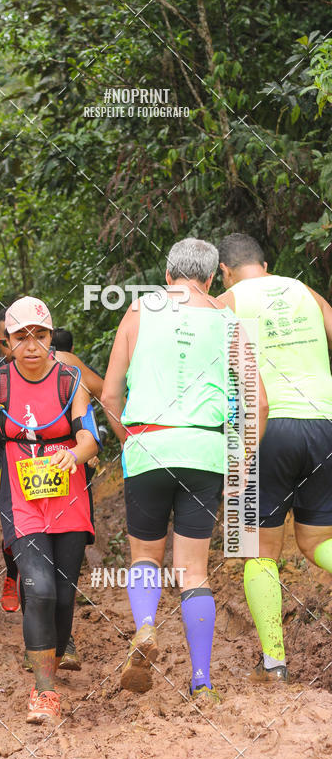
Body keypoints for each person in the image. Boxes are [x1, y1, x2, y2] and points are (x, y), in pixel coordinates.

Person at [101, 237, 268, 703]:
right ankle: (202, 682)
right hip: (205, 452)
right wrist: (241, 461)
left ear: (167, 274)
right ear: (212, 278)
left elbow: (110, 396)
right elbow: (258, 402)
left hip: (147, 446)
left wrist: (131, 441)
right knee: (194, 572)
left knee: (144, 557)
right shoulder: (227, 320)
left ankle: (146, 626)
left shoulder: (138, 312)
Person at [0, 296, 98, 724]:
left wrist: (74, 454)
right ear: (8, 341)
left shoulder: (70, 379)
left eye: (40, 335)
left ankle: (52, 656)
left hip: (69, 492)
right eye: (22, 336)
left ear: (51, 336)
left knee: (63, 593)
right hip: (21, 496)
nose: (32, 344)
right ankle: (44, 690)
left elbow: (90, 437)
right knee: (39, 588)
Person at [218, 233, 332, 683]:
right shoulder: (305, 290)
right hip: (325, 421)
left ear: (225, 271)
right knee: (316, 540)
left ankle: (274, 665)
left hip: (268, 426)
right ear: (265, 265)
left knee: (261, 551)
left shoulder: (226, 301)